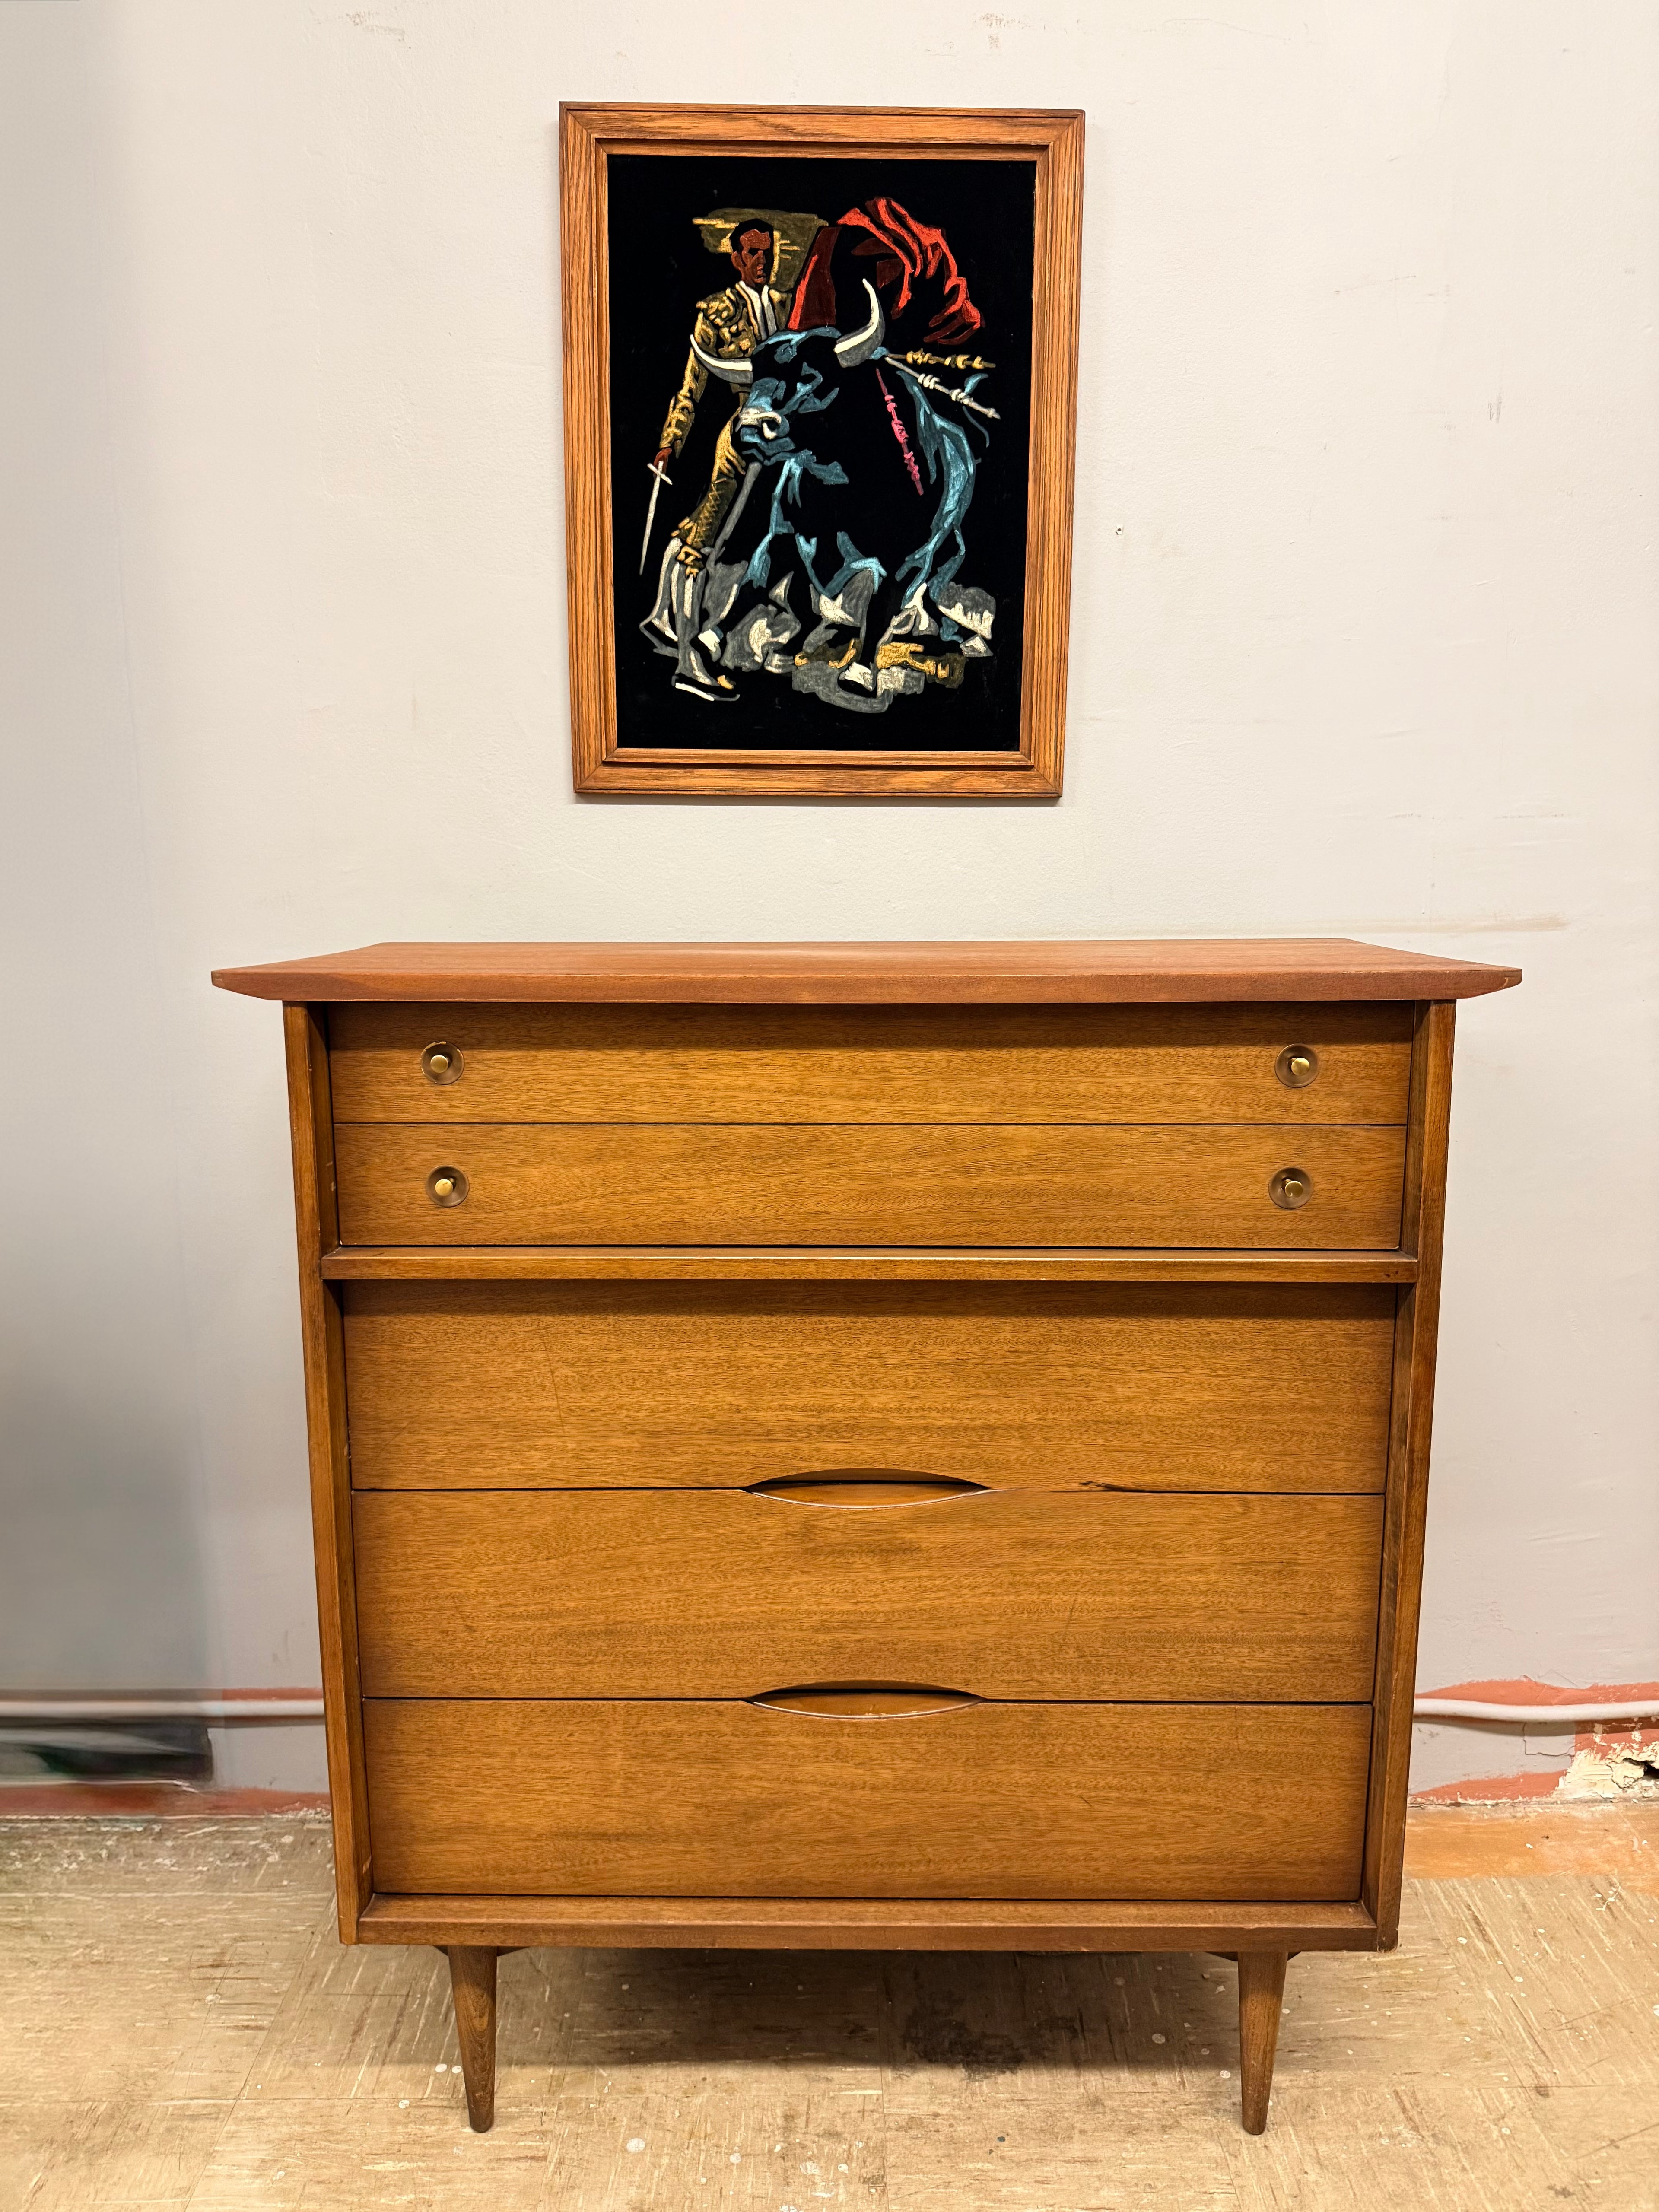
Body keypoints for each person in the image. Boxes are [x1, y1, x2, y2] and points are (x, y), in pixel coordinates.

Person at [651, 220, 789, 571]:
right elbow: (691, 387)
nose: (763, 261)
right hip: (750, 413)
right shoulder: (715, 313)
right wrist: (670, 442)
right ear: (737, 259)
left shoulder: (788, 305)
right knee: (729, 460)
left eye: (768, 252)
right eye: (753, 253)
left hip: (794, 410)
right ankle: (697, 553)